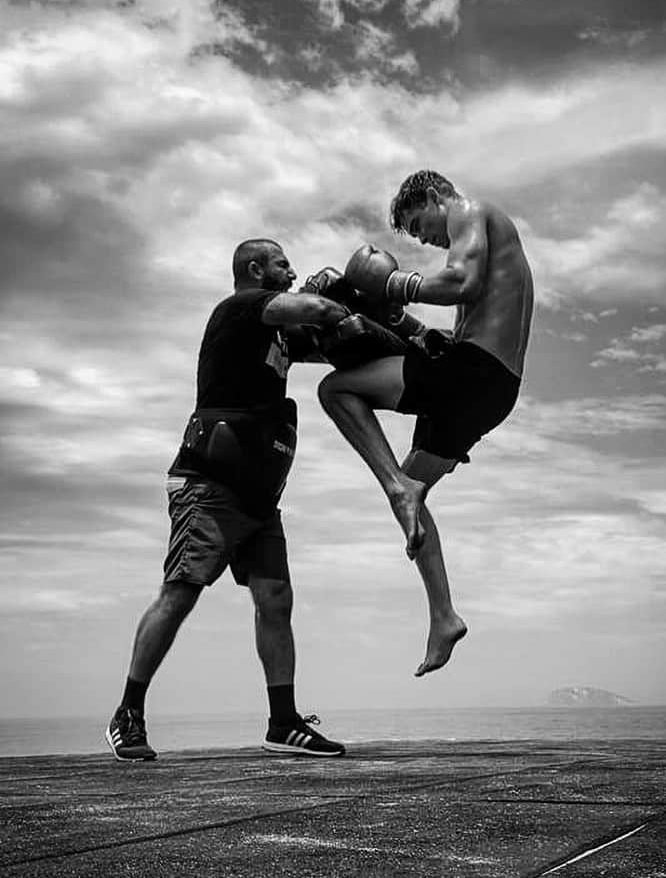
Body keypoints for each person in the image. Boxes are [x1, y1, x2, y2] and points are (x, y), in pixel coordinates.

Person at [106, 239, 351, 761]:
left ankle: (283, 723)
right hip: (209, 483)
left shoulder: (277, 336)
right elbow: (320, 309)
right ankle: (127, 712)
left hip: (259, 492)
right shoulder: (240, 308)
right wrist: (335, 291)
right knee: (182, 591)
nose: (292, 269)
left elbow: (332, 341)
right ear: (256, 269)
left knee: (276, 599)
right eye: (283, 262)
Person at [317, 170, 534, 677]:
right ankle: (443, 616)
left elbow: (462, 281)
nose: (425, 239)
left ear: (434, 197)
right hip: (491, 389)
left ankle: (396, 487)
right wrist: (406, 325)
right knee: (414, 491)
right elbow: (466, 311)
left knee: (336, 389)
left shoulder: (470, 209)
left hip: (474, 375)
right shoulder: (483, 243)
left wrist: (390, 284)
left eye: (419, 224)